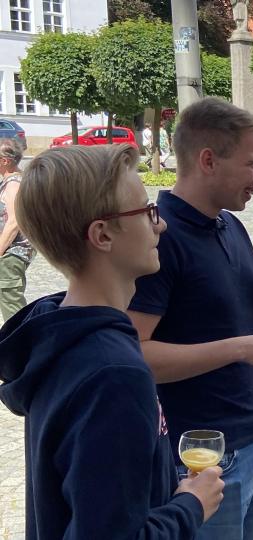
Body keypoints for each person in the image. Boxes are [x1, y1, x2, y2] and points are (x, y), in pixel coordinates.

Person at [0, 144, 224, 538]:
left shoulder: (57, 333)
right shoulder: (113, 372)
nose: (161, 225)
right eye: (146, 212)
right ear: (102, 235)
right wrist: (192, 505)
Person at [127, 97, 253, 540]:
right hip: (201, 457)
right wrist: (239, 349)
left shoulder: (230, 225)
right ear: (208, 160)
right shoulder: (159, 235)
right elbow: (133, 354)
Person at [0, 139, 33, 320]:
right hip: (11, 253)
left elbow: (14, 222)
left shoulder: (13, 184)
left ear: (5, 161)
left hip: (12, 254)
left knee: (11, 306)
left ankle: (21, 344)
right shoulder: (13, 180)